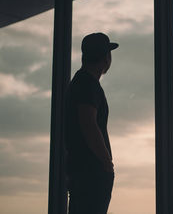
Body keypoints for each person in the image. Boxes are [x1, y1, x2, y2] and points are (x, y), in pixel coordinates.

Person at [65, 32, 118, 214]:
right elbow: (88, 124)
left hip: (83, 171)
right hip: (91, 173)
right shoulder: (88, 84)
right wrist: (106, 162)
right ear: (105, 58)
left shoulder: (80, 82)